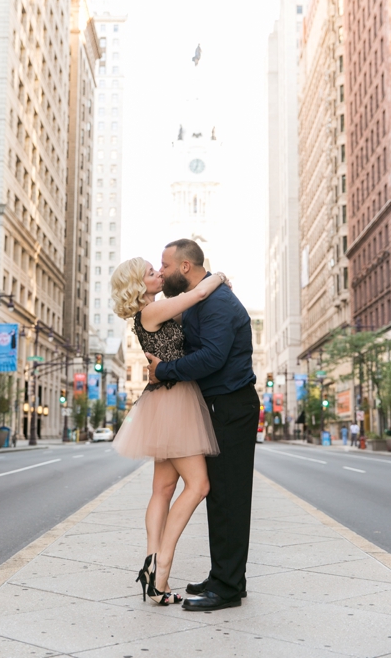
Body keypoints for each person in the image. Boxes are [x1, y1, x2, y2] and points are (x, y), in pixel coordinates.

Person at [145, 239, 259, 612]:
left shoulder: (216, 304)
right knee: (220, 496)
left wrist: (165, 371)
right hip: (216, 406)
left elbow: (211, 357)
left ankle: (227, 588)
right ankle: (225, 576)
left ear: (185, 268)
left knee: (230, 497)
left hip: (232, 406)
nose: (161, 271)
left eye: (165, 265)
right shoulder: (198, 299)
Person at [110, 257, 225, 605]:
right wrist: (219, 275)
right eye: (150, 272)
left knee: (162, 488)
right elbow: (200, 293)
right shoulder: (150, 313)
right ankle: (161, 571)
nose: (158, 273)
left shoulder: (152, 312)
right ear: (138, 285)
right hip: (174, 401)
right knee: (199, 485)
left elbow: (189, 315)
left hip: (164, 399)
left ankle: (151, 567)